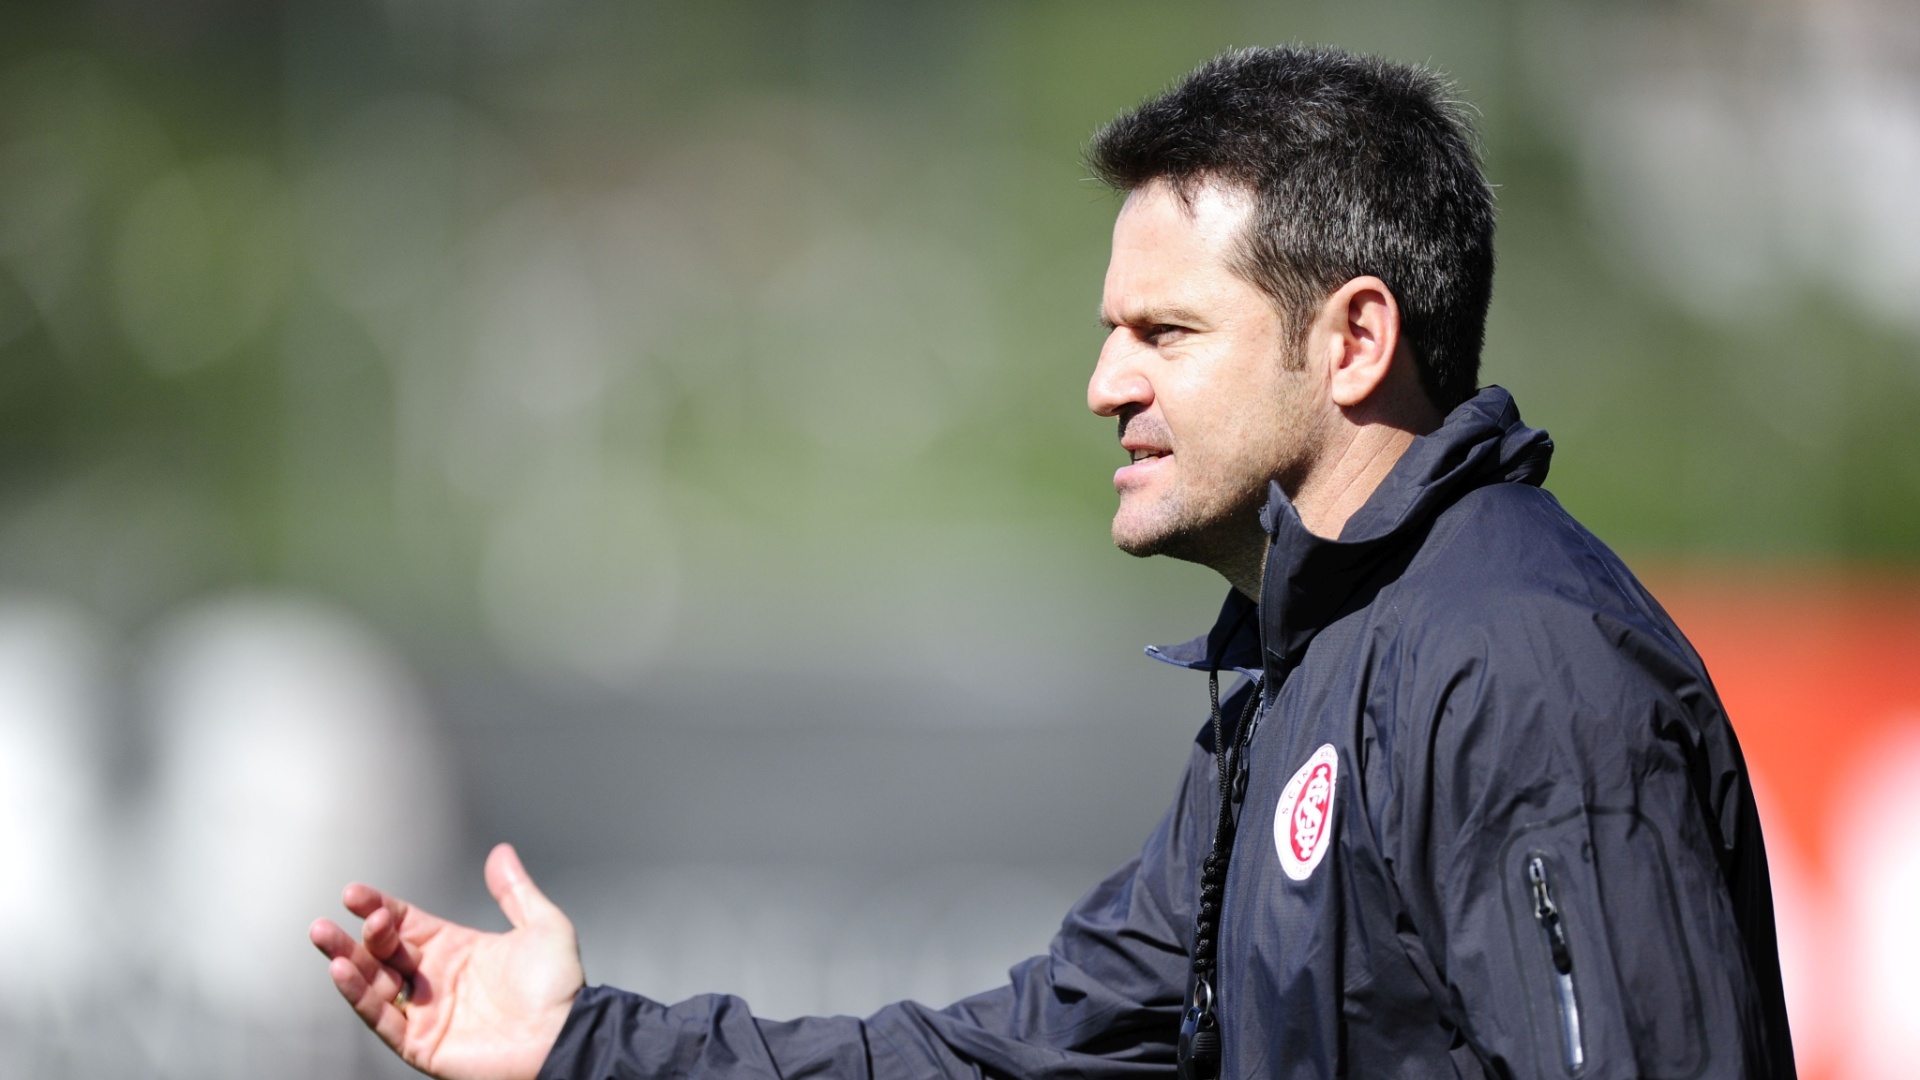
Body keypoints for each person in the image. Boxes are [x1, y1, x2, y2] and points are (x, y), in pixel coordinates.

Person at [311, 46, 1795, 1080]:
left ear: (1354, 339)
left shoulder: (1519, 664)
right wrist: (587, 1048)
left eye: (1165, 333)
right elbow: (1015, 1056)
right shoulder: (1299, 671)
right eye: (1109, 332)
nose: (1103, 385)